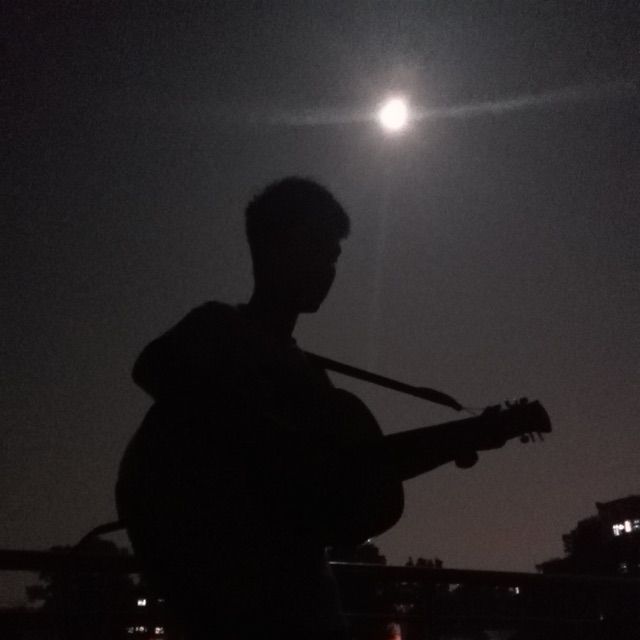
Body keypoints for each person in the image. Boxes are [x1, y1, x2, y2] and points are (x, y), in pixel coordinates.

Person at [116, 177, 508, 639]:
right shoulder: (219, 326)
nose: (328, 267)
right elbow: (152, 367)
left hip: (302, 596)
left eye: (334, 256)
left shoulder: (313, 380)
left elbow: (340, 481)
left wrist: (457, 441)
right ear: (272, 245)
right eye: (317, 246)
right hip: (241, 601)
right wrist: (262, 440)